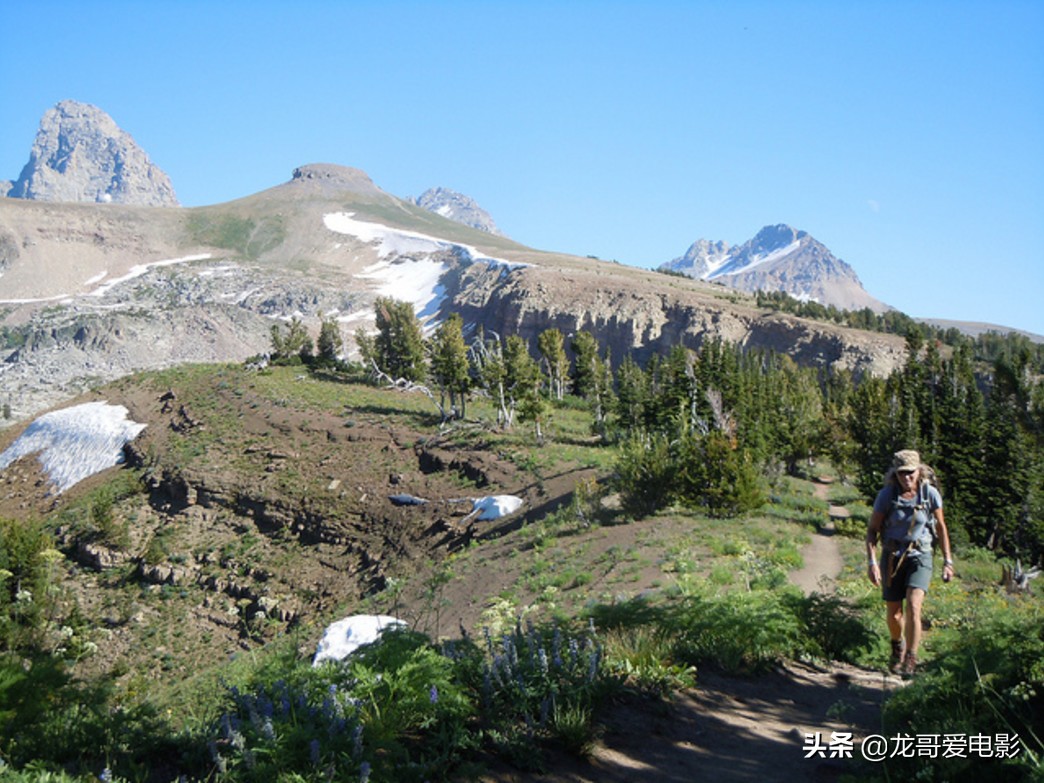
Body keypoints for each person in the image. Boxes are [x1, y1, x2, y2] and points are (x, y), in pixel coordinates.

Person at [865, 449, 954, 677]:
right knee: (894, 612)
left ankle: (912, 658)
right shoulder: (887, 496)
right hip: (892, 556)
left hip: (921, 555)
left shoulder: (929, 494)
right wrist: (872, 563)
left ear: (919, 471)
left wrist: (947, 561)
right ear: (895, 474)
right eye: (902, 474)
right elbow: (873, 530)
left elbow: (941, 528)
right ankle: (898, 646)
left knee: (914, 605)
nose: (907, 478)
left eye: (911, 473)